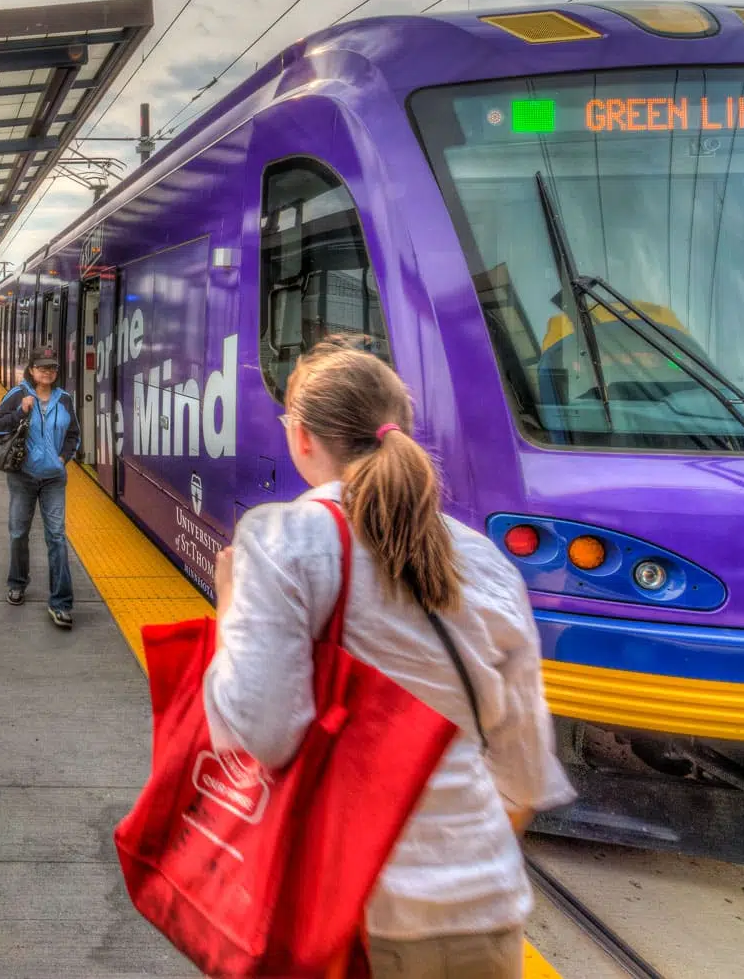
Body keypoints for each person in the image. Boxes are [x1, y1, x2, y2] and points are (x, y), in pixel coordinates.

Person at [203, 337, 571, 978]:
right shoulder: (483, 559)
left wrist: (229, 611)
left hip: (353, 919)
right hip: (485, 914)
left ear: (304, 439)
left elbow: (257, 734)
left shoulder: (281, 538)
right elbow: (525, 776)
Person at [0, 348, 78, 629]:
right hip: (23, 476)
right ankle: (17, 582)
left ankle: (61, 603)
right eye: (42, 368)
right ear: (31, 370)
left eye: (52, 367)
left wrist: (63, 459)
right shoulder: (18, 394)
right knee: (18, 532)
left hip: (54, 479)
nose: (48, 372)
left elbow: (73, 434)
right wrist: (19, 412)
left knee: (57, 538)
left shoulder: (65, 399)